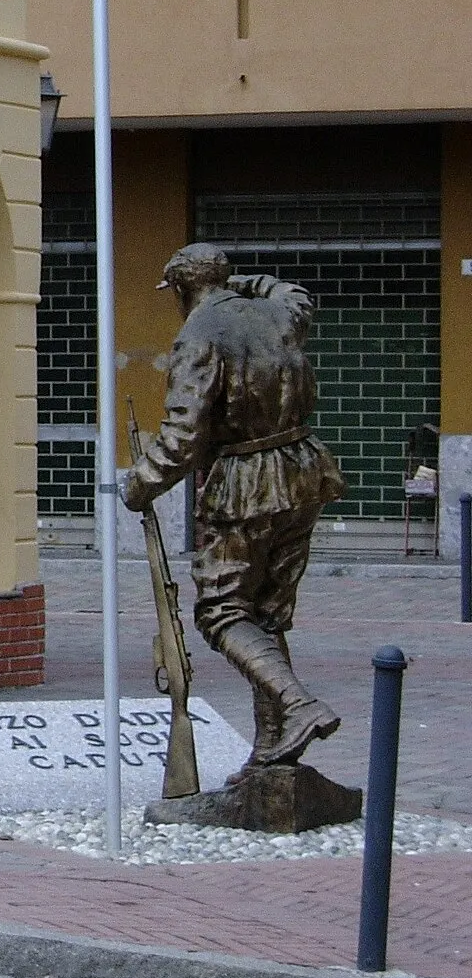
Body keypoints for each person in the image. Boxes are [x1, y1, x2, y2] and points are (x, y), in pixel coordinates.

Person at [121, 243, 345, 774]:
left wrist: (139, 484)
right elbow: (296, 293)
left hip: (248, 483)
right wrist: (235, 282)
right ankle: (275, 746)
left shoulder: (199, 334)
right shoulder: (280, 312)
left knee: (223, 611)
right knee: (267, 615)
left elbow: (182, 436)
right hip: (304, 470)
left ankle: (298, 704)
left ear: (180, 287)